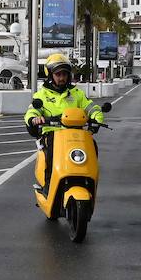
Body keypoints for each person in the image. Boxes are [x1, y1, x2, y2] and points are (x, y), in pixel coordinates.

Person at [25, 54, 106, 190]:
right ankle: (48, 184)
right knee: (50, 150)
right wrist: (34, 119)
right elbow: (32, 111)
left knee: (92, 146)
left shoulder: (76, 93)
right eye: (58, 74)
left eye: (65, 74)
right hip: (53, 134)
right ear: (50, 75)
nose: (62, 77)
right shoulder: (41, 95)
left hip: (76, 135)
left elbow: (90, 106)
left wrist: (97, 116)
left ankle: (90, 180)